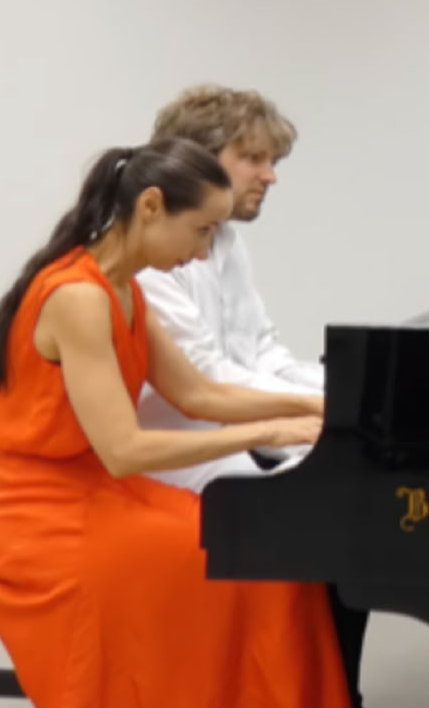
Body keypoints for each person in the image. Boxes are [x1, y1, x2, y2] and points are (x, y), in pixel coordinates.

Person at [0, 136, 351, 708]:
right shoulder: (78, 297)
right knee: (224, 566)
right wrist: (269, 432)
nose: (204, 251)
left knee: (268, 553)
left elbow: (199, 394)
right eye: (201, 230)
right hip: (45, 515)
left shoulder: (123, 289)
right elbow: (124, 450)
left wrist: (316, 407)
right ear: (150, 206)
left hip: (102, 494)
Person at [135, 85, 369, 707]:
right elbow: (206, 384)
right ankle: (304, 687)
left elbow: (260, 352)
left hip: (225, 429)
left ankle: (329, 687)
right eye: (254, 158)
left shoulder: (224, 242)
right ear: (198, 158)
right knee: (331, 513)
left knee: (350, 506)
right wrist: (324, 412)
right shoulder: (153, 260)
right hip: (182, 451)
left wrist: (350, 393)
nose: (270, 176)